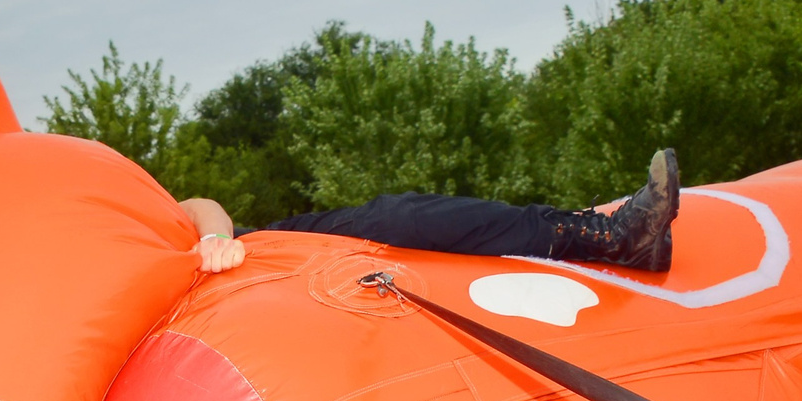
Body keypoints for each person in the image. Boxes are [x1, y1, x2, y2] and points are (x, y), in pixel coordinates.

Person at [185, 149, 684, 274]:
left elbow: (198, 206)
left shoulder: (132, 215)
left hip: (262, 251)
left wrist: (214, 240)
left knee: (396, 219)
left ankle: (610, 237)